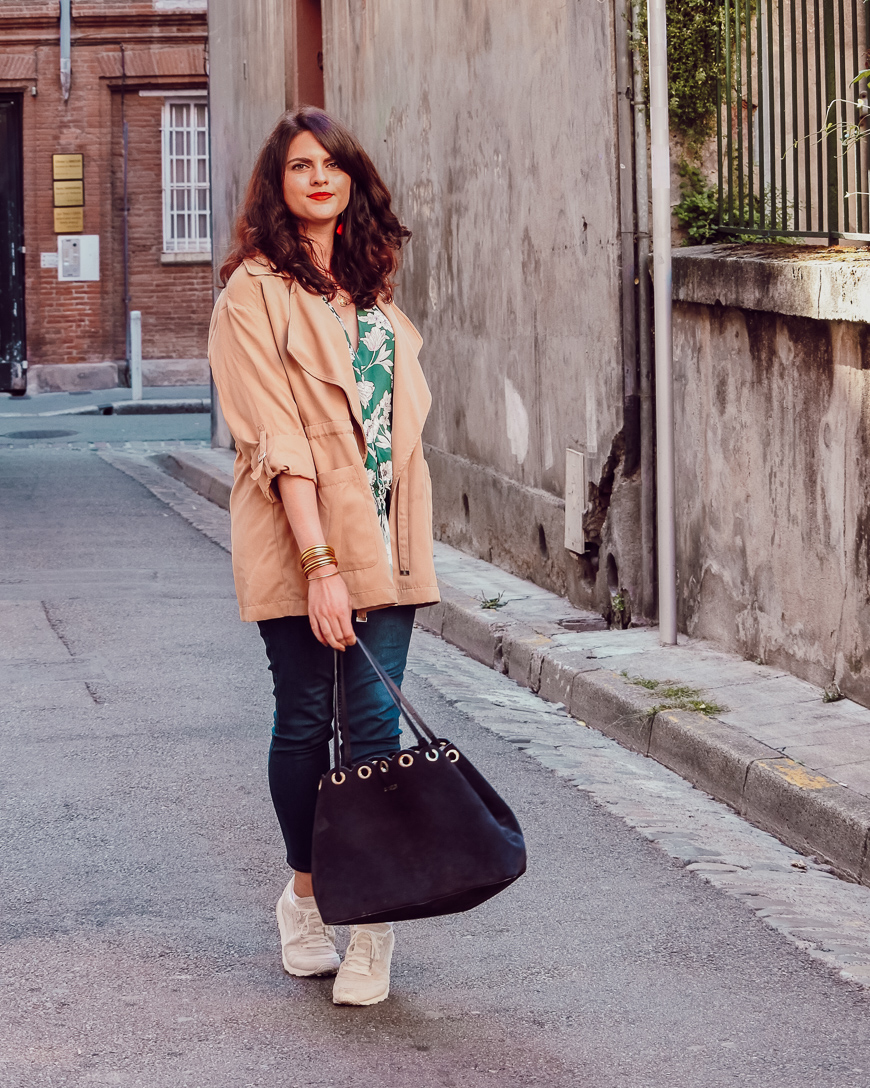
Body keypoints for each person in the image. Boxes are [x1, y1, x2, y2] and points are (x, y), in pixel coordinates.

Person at [208, 106, 440, 1007]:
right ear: (279, 184)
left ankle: (371, 923)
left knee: (373, 728)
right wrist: (320, 566)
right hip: (298, 537)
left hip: (389, 537)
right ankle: (306, 896)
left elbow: (394, 429)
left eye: (332, 165)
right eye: (301, 165)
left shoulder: (372, 288)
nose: (318, 178)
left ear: (352, 182)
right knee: (307, 721)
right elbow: (278, 443)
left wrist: (372, 550)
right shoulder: (252, 293)